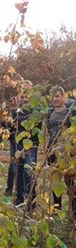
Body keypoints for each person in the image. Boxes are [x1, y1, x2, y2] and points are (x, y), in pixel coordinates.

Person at [47, 86, 76, 218]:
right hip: (53, 151)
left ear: (63, 97)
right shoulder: (50, 111)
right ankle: (57, 208)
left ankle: (74, 211)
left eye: (57, 96)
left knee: (70, 182)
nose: (55, 99)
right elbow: (49, 130)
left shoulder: (70, 112)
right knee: (55, 180)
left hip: (67, 153)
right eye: (53, 96)